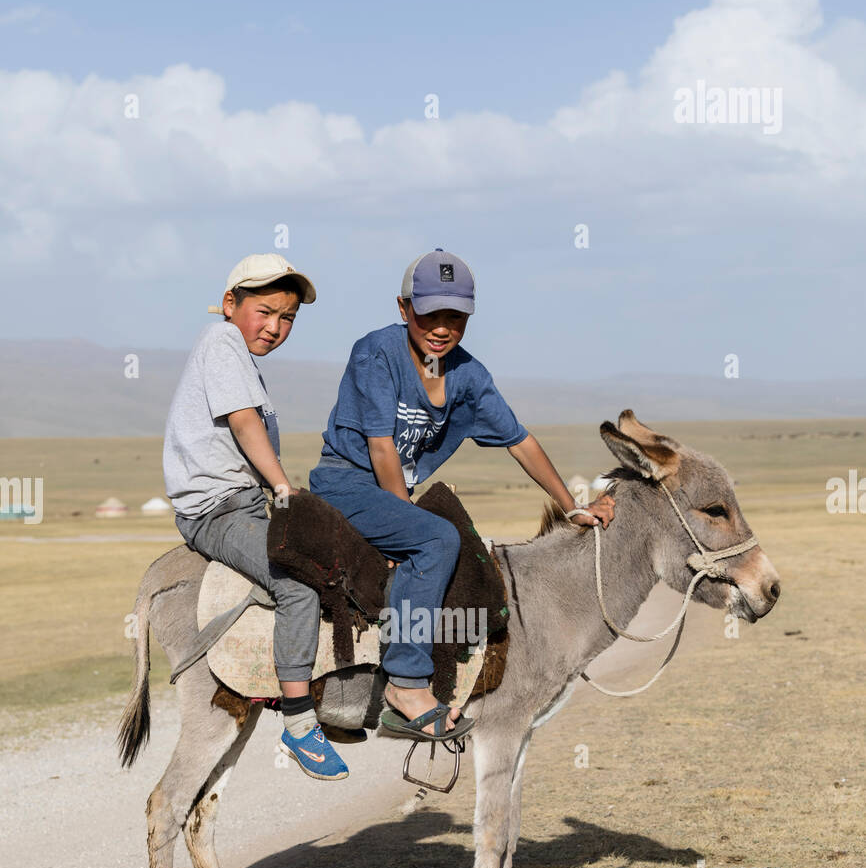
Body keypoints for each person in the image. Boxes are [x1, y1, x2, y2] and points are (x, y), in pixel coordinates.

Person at [309, 248, 614, 743]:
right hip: (346, 483)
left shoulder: (469, 376)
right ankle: (406, 684)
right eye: (430, 313)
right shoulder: (376, 353)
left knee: (467, 549)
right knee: (437, 540)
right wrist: (403, 516)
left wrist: (572, 505)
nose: (442, 327)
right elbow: (382, 447)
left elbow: (521, 442)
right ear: (404, 308)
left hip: (394, 492)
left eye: (456, 315)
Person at [163, 253, 349, 781]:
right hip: (216, 511)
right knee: (297, 585)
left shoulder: (239, 356)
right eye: (265, 311)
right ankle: (299, 723)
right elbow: (245, 425)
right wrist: (284, 488)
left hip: (241, 501)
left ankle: (334, 695)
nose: (275, 326)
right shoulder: (220, 342)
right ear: (230, 304)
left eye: (287, 317)